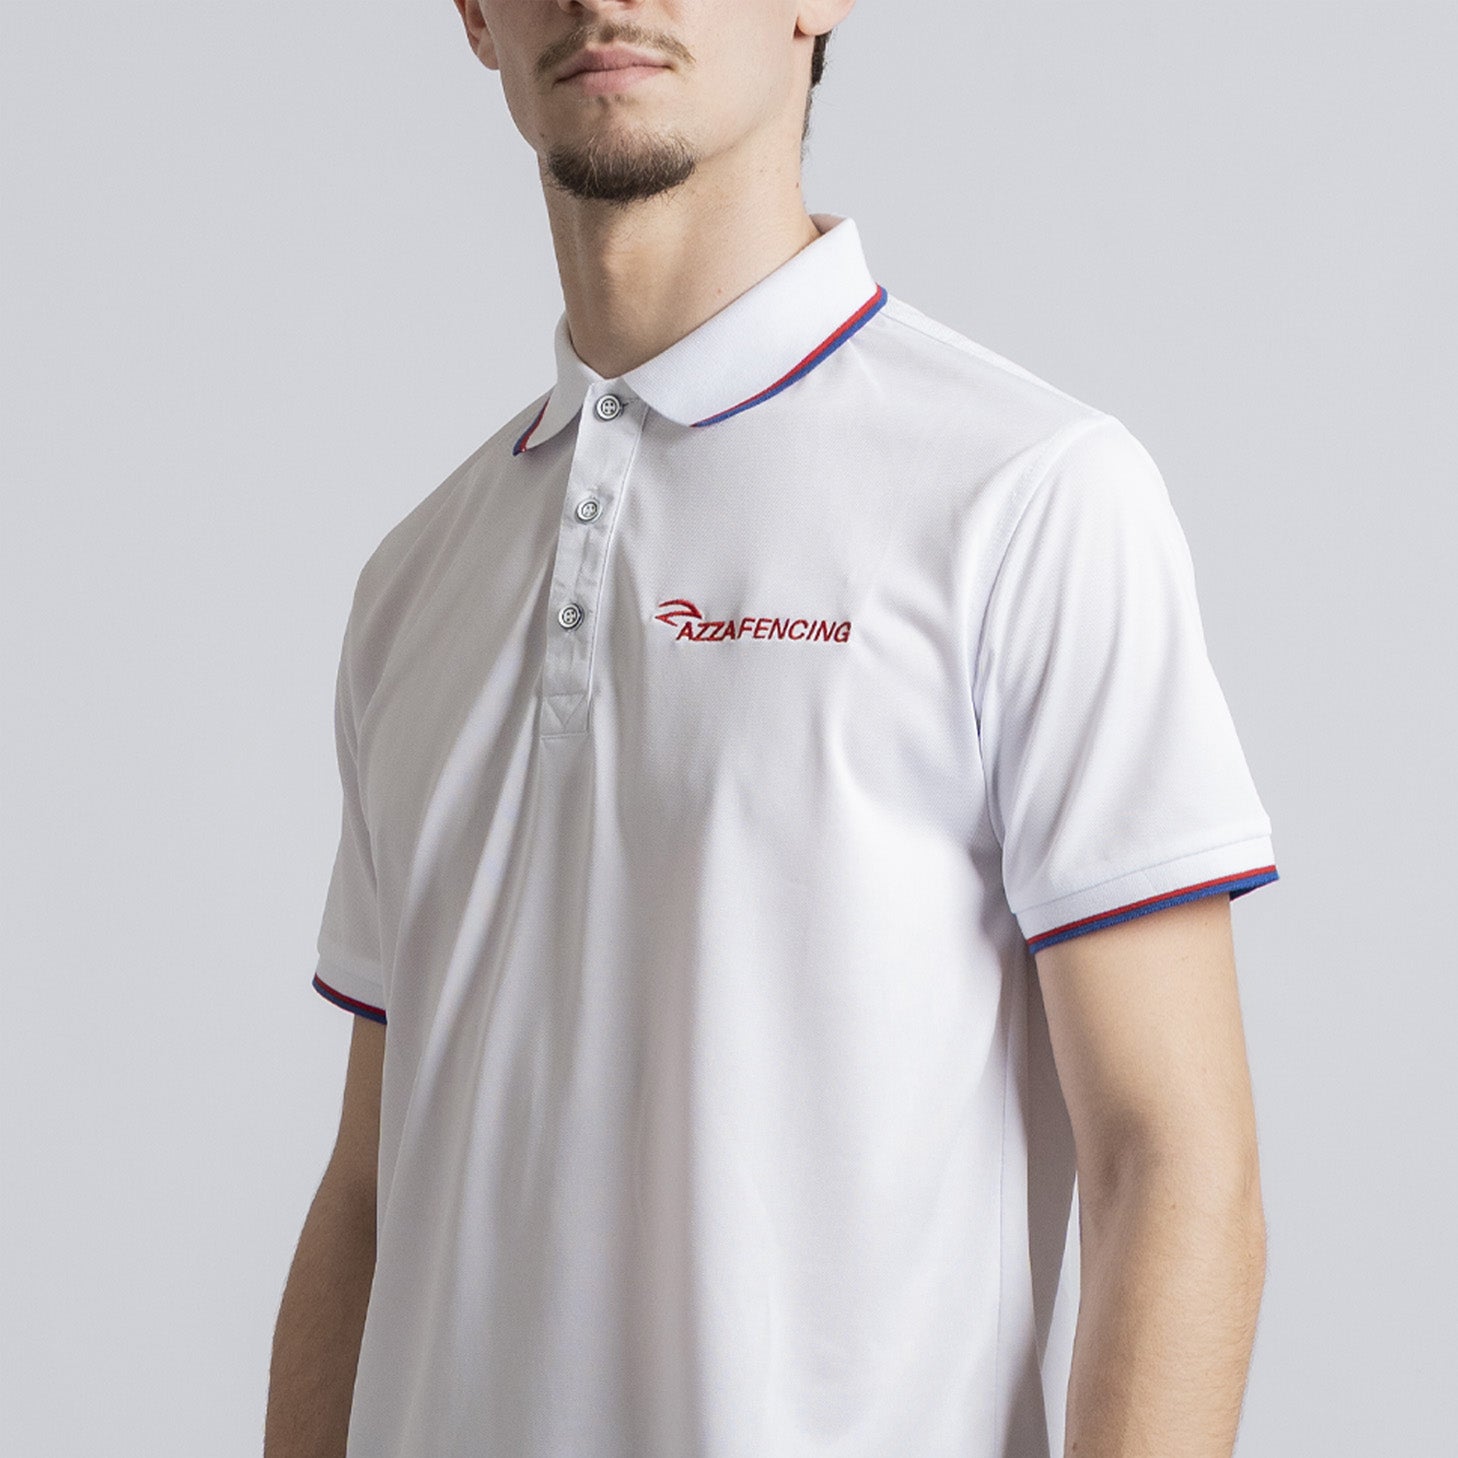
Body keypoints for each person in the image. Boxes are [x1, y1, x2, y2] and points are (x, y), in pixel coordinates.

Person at [265, 4, 1279, 1456]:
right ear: (475, 16)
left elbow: (1171, 1163)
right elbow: (372, 1189)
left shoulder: (1030, 500)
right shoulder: (416, 580)